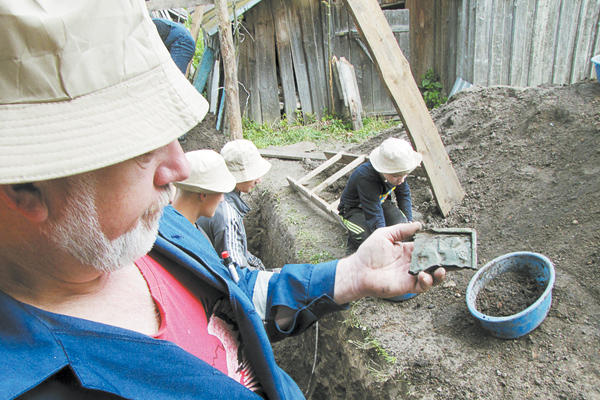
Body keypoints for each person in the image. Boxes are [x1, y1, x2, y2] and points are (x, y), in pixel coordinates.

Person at [0, 1, 444, 398]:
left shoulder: (156, 229)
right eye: (139, 150)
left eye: (172, 136)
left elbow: (235, 301)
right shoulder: (40, 381)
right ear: (27, 186)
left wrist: (350, 274)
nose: (178, 167)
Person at [197, 139, 272, 271]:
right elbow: (237, 270)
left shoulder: (215, 194)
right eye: (254, 174)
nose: (259, 180)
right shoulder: (227, 215)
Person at [338, 137, 423, 249]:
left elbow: (403, 195)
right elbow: (374, 213)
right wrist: (383, 240)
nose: (401, 180)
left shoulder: (399, 171)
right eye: (396, 176)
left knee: (402, 225)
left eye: (404, 175)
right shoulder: (366, 178)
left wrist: (409, 223)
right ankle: (354, 249)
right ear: (383, 170)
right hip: (354, 209)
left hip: (380, 203)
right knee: (367, 239)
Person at [171, 150, 237, 239]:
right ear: (204, 195)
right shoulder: (184, 238)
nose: (222, 199)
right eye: (220, 193)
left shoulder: (163, 224)